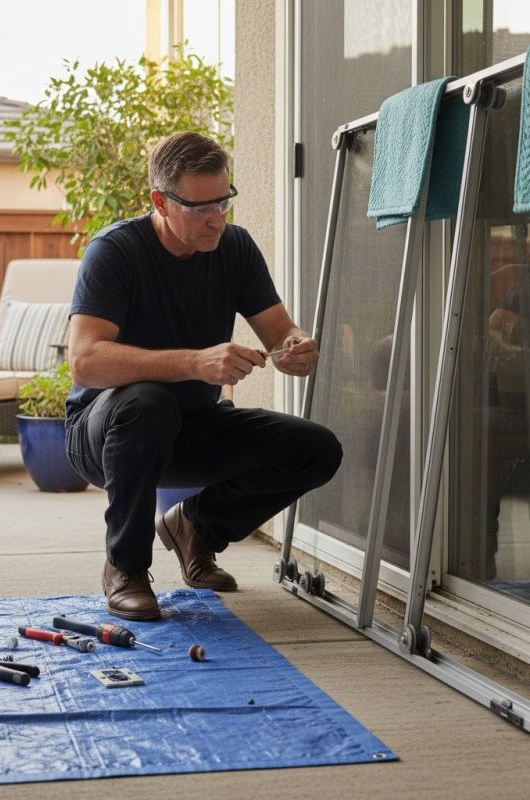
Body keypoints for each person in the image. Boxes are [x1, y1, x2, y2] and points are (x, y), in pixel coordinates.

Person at [64, 131, 343, 621]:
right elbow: (85, 361)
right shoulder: (114, 252)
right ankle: (125, 568)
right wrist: (194, 362)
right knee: (147, 402)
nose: (217, 218)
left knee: (316, 450)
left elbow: (280, 329)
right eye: (200, 207)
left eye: (224, 201)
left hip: (190, 425)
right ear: (160, 201)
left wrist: (295, 346)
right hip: (104, 431)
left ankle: (196, 527)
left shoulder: (233, 248)